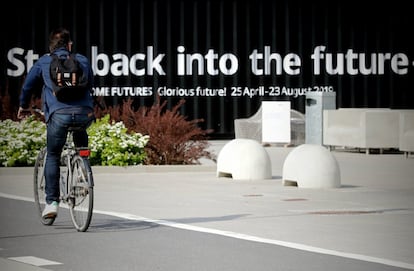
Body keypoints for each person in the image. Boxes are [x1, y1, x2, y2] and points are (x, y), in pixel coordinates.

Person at [18, 27, 95, 220]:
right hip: (84, 114)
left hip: (58, 115)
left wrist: (23, 106)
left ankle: (52, 202)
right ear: (69, 45)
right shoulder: (82, 60)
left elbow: (27, 86)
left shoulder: (45, 61)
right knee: (81, 144)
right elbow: (91, 84)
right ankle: (83, 171)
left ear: (51, 47)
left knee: (52, 155)